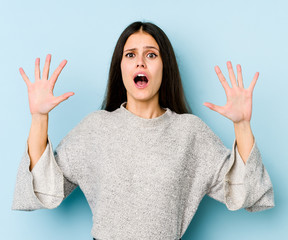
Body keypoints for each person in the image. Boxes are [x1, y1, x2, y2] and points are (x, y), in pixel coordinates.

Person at [12, 21, 274, 240]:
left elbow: (248, 192)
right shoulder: (96, 127)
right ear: (121, 67)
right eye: (130, 55)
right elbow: (44, 188)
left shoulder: (189, 132)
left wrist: (241, 125)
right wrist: (39, 117)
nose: (140, 63)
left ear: (164, 67)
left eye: (151, 54)